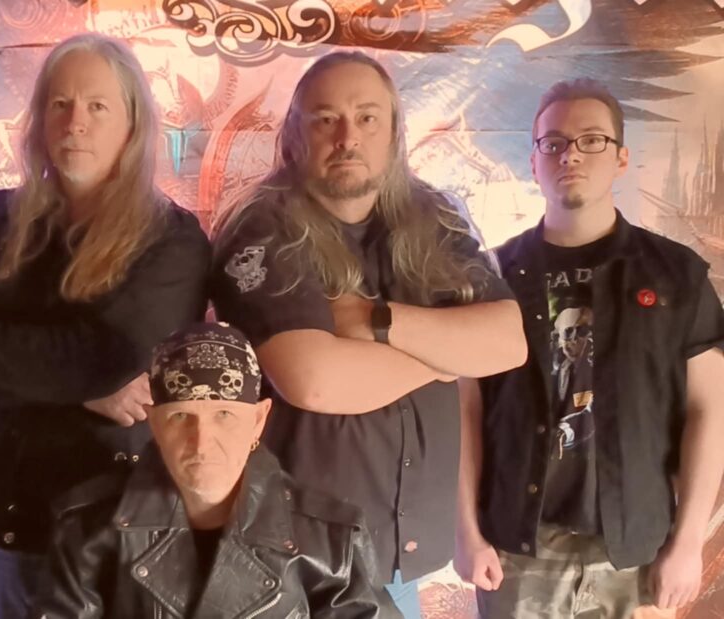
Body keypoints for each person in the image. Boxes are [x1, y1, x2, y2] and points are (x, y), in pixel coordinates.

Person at [0, 33, 211, 619]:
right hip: (9, 531)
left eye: (98, 106)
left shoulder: (171, 241)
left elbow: (107, 358)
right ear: (40, 119)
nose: (75, 123)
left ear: (133, 124)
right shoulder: (0, 222)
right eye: (60, 104)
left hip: (118, 542)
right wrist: (81, 392)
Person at [210, 51, 527, 618]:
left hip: (396, 560)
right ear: (294, 135)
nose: (347, 136)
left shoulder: (435, 218)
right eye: (325, 118)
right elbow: (315, 380)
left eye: (367, 117)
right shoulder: (261, 228)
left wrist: (378, 322)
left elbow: (507, 343)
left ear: (395, 132)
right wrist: (448, 355)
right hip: (297, 566)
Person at [455, 78, 724, 618]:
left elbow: (710, 411)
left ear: (621, 158)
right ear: (534, 162)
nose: (570, 154)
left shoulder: (678, 276)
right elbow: (464, 413)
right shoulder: (488, 278)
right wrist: (465, 533)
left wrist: (689, 542)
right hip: (518, 549)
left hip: (637, 550)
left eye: (592, 140)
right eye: (552, 142)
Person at [43, 322, 399, 617]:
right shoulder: (88, 529)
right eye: (180, 416)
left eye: (224, 415)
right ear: (154, 423)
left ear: (258, 420)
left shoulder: (331, 542)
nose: (201, 442)